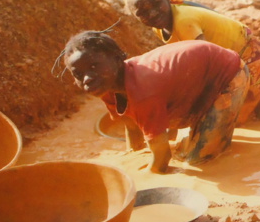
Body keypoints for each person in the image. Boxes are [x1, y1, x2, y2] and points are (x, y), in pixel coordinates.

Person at [62, 31, 249, 173]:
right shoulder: (106, 86)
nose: (87, 78)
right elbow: (131, 126)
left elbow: (162, 157)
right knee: (187, 149)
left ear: (117, 57)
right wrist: (133, 158)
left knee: (199, 161)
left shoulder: (143, 93)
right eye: (78, 74)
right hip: (198, 75)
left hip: (229, 73)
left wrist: (147, 178)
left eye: (94, 66)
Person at [121, 0, 260, 123]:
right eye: (143, 12)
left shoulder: (184, 22)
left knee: (242, 117)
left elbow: (205, 60)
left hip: (250, 53)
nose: (153, 13)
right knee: (251, 113)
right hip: (233, 56)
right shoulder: (160, 27)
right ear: (135, 17)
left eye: (156, 4)